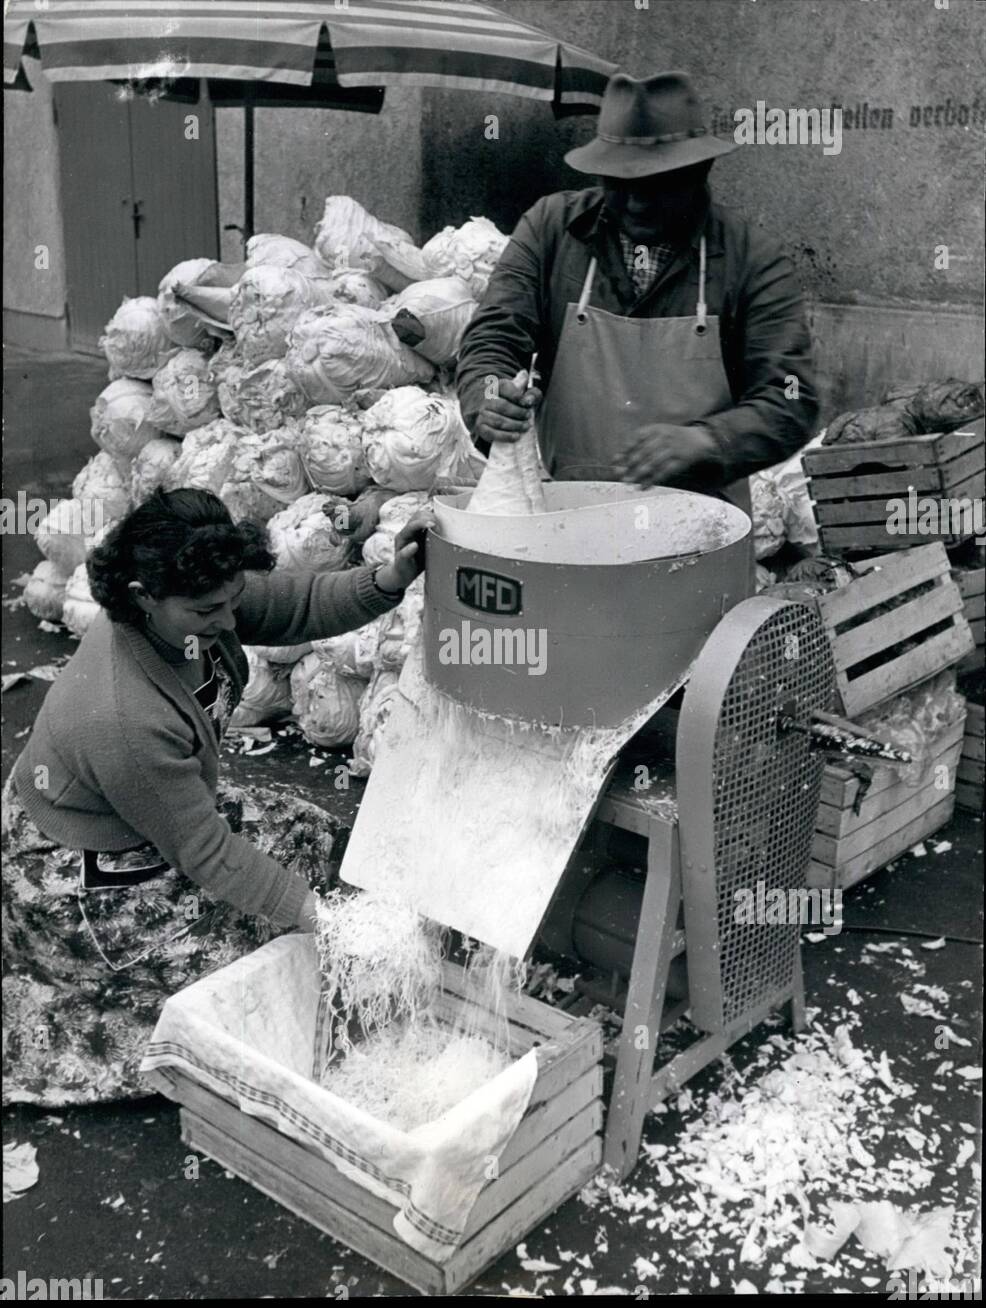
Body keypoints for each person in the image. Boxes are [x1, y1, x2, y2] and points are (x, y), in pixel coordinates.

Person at [2, 486, 429, 1105]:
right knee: (237, 970)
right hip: (77, 870)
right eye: (209, 613)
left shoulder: (201, 591)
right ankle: (55, 987)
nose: (229, 621)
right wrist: (324, 921)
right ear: (142, 598)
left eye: (232, 601)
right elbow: (205, 850)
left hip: (152, 817)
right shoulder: (124, 716)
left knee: (310, 835)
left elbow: (296, 604)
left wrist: (391, 577)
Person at [455, 70, 820, 524]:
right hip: (568, 519)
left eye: (658, 184)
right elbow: (493, 334)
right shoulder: (552, 229)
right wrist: (486, 394)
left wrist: (708, 441)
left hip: (703, 530)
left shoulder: (749, 258)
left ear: (700, 170)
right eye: (620, 183)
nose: (636, 202)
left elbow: (791, 397)